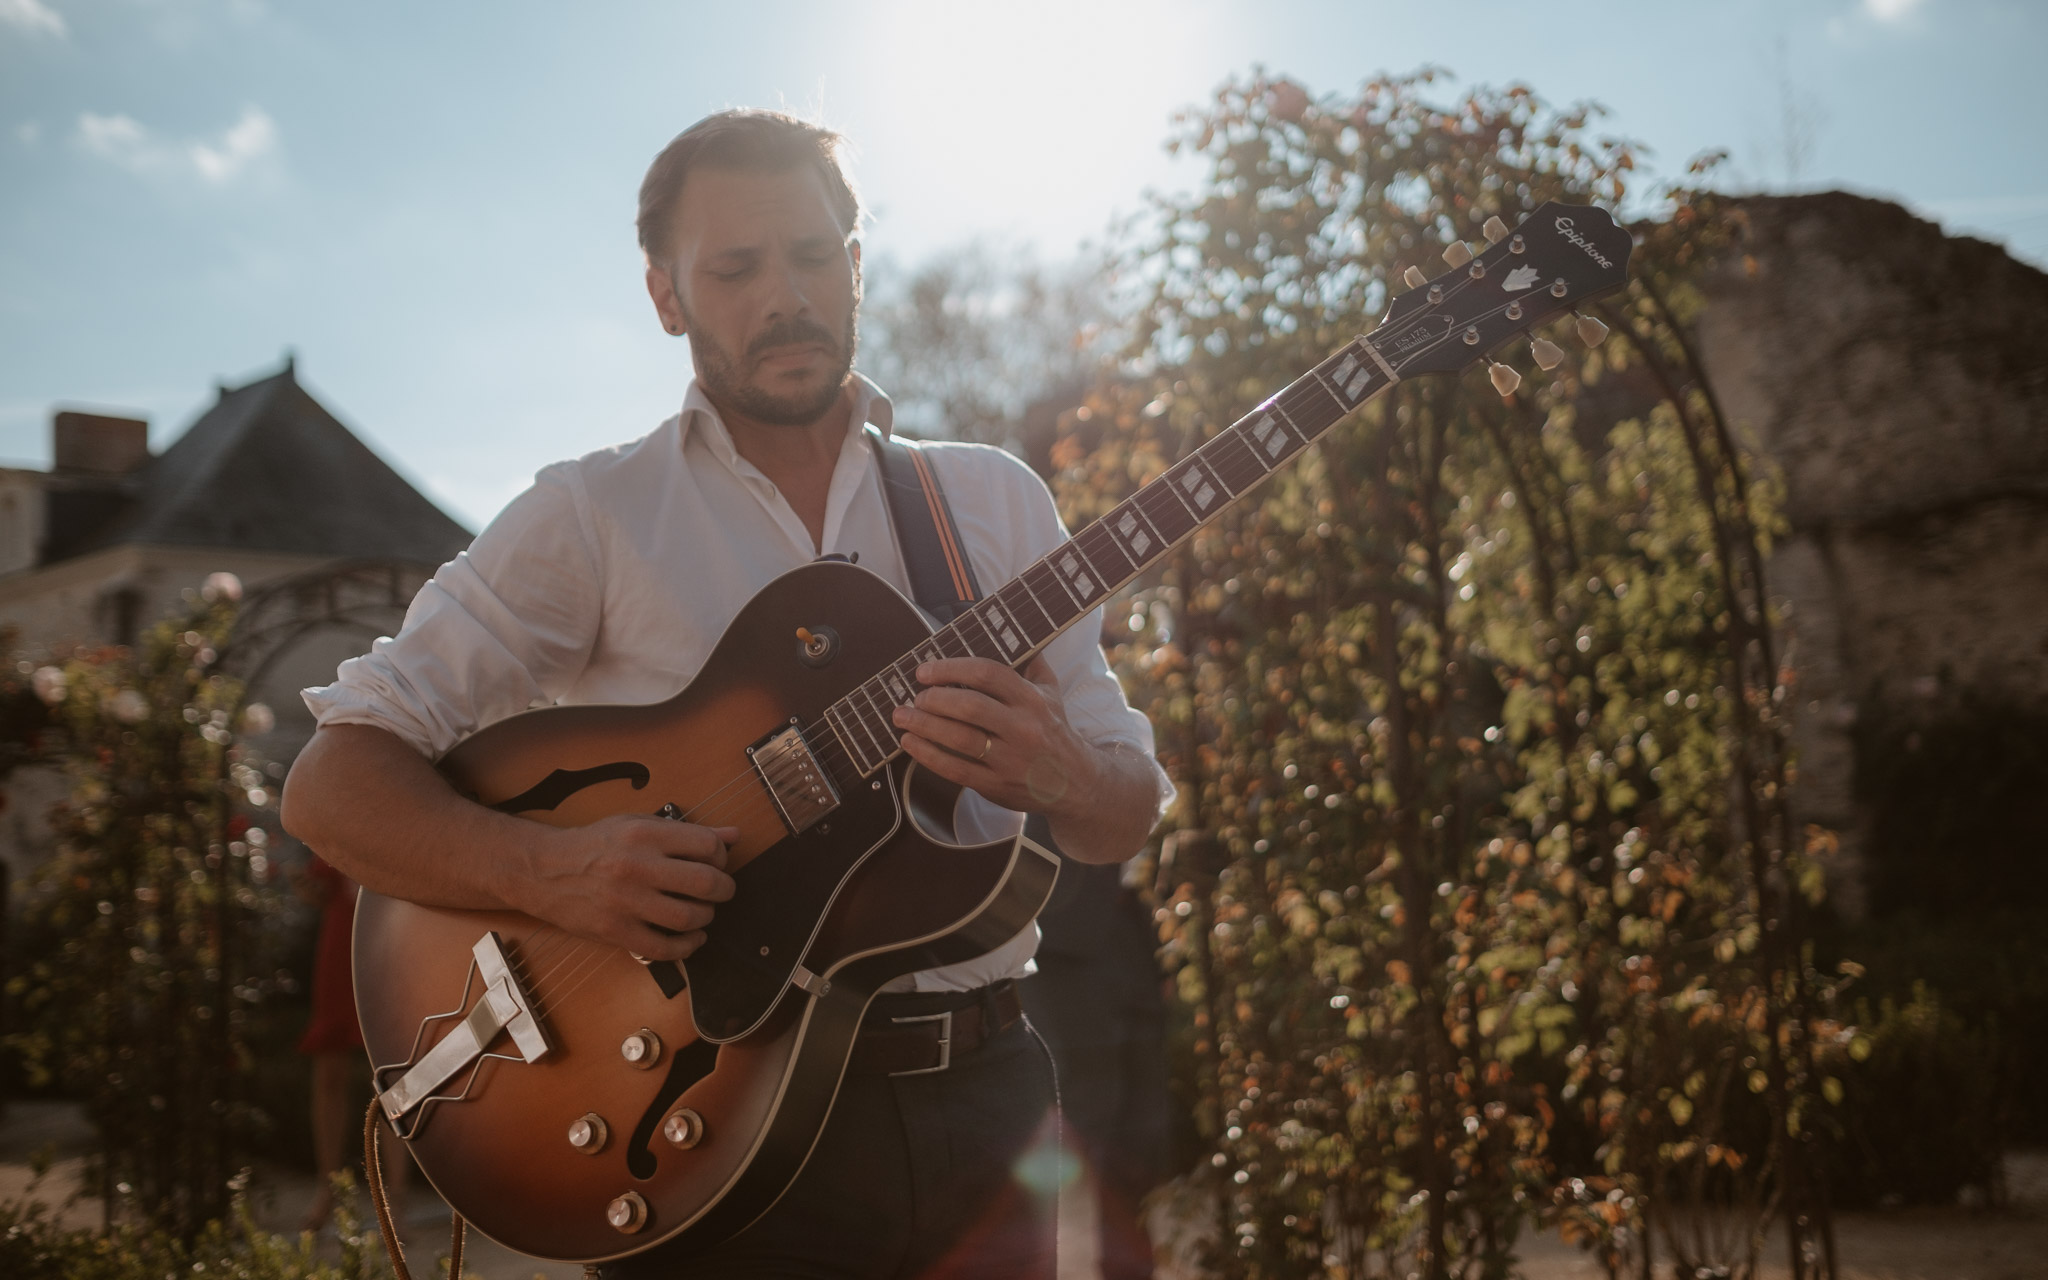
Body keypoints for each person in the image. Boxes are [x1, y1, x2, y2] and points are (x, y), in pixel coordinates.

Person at [280, 108, 1171, 1279]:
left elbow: (1122, 810)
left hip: (984, 1109)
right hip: (699, 1131)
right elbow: (331, 783)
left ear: (854, 267)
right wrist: (549, 870)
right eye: (734, 268)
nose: (782, 297)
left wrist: (1060, 770)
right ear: (667, 296)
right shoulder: (595, 515)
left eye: (810, 255)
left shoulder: (991, 504)